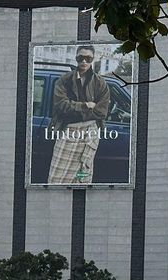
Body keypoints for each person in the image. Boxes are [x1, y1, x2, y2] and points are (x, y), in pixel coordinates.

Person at [47, 44, 110, 184]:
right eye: (81, 58)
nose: (84, 61)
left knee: (82, 178)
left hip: (90, 134)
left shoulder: (100, 83)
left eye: (88, 58)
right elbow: (60, 105)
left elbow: (101, 112)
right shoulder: (64, 80)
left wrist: (74, 110)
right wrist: (85, 105)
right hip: (67, 131)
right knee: (56, 180)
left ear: (93, 59)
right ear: (76, 58)